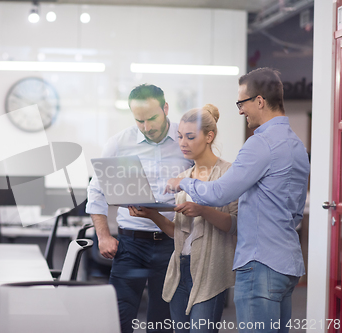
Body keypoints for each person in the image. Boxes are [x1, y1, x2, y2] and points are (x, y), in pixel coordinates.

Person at [167, 68, 310, 333]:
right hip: (288, 266)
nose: (240, 110)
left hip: (260, 266)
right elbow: (295, 214)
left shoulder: (260, 144)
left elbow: (220, 192)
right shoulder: (297, 147)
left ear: (259, 101)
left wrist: (182, 182)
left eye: (241, 103)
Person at [86, 84, 193, 333]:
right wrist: (103, 236)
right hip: (130, 243)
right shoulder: (119, 143)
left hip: (171, 243)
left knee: (162, 323)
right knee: (119, 318)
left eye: (152, 118)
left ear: (165, 108)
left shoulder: (185, 140)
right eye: (139, 120)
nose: (146, 127)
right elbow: (96, 192)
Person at [129, 104, 238, 333]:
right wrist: (152, 214)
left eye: (190, 137)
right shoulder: (183, 178)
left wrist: (202, 210)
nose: (183, 143)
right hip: (180, 268)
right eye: (180, 137)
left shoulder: (229, 174)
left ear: (209, 136)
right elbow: (176, 233)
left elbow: (234, 225)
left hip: (210, 270)